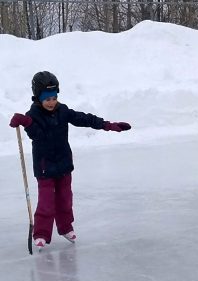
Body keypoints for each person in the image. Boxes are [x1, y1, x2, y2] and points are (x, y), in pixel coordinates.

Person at [9, 71, 131, 250]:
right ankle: (41, 233)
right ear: (38, 98)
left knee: (65, 198)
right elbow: (39, 136)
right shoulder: (33, 115)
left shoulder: (63, 110)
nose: (51, 102)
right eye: (47, 99)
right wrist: (27, 123)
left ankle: (65, 227)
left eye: (54, 97)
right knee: (46, 202)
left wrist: (108, 125)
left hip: (64, 163)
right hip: (45, 166)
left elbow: (84, 119)